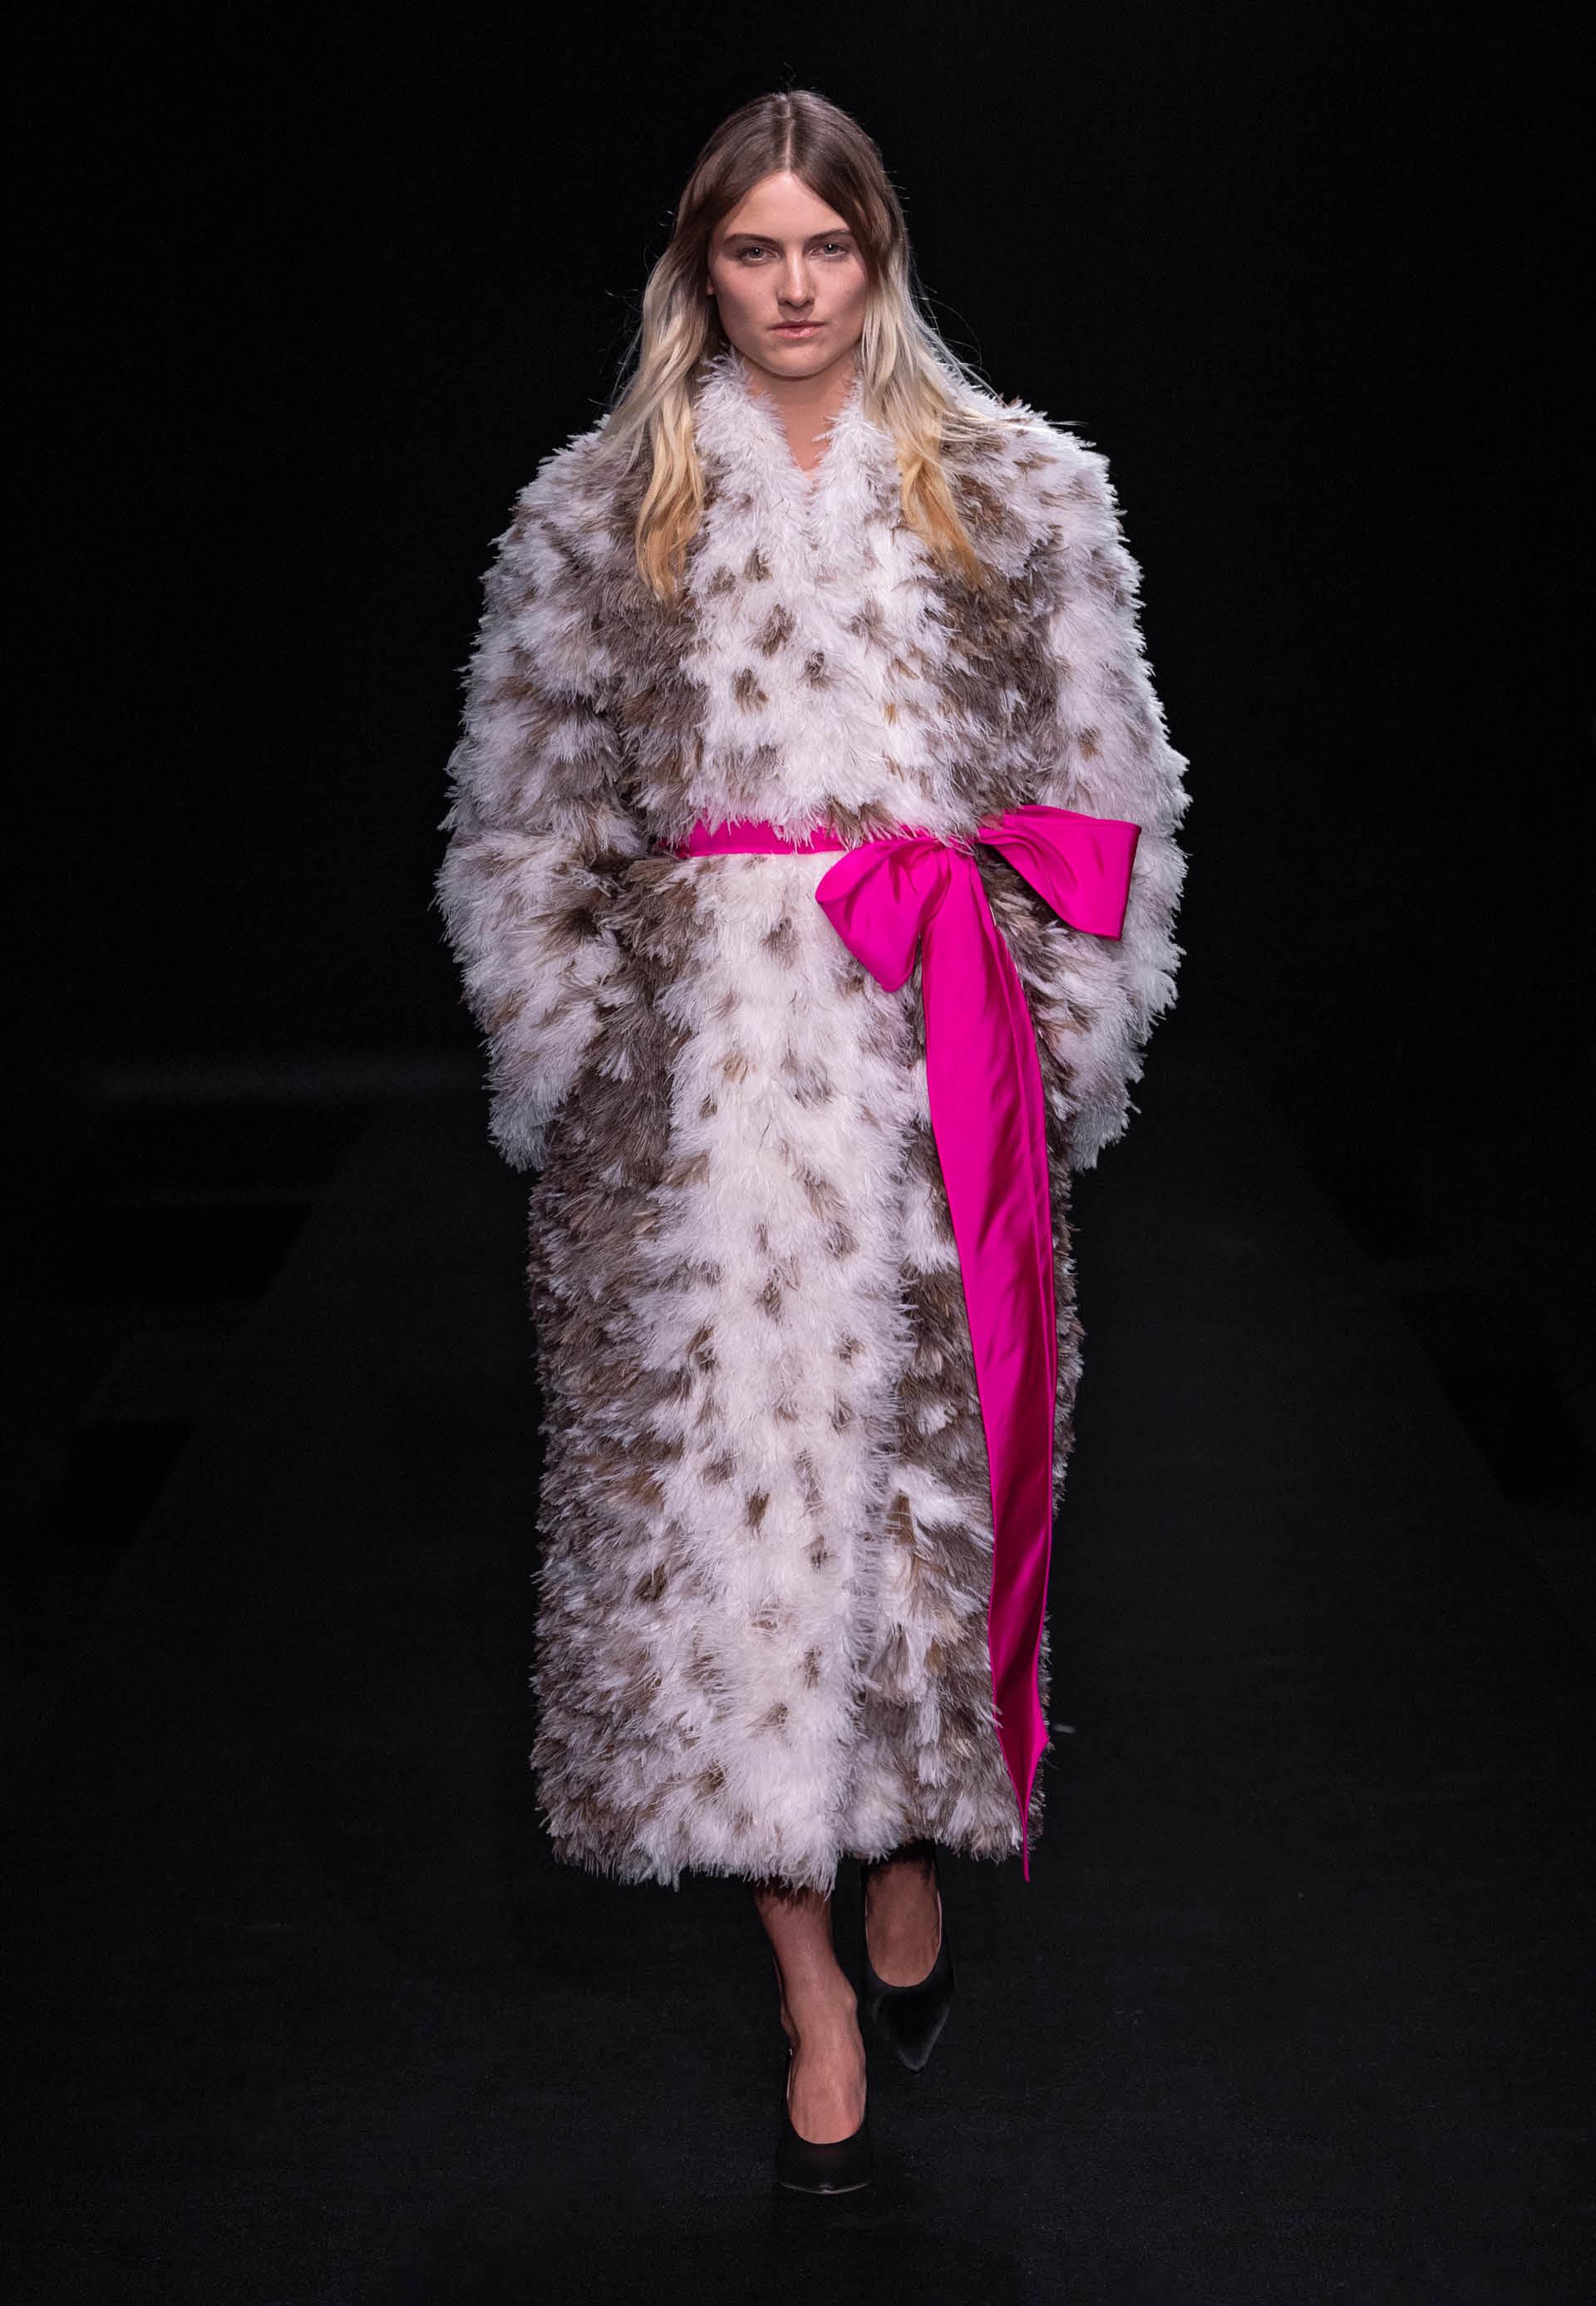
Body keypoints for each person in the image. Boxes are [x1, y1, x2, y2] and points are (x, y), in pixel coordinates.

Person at [434, 86, 1190, 2194]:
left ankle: (914, 1850)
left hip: (935, 1070)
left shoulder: (1018, 493)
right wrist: (581, 1053)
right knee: (716, 1547)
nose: (790, 289)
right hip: (692, 1116)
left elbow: (1108, 788)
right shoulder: (600, 515)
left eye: (825, 250)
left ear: (880, 257)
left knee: (930, 1518)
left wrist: (1056, 1039)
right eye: (753, 252)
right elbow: (519, 818)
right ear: (701, 268)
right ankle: (809, 1991)